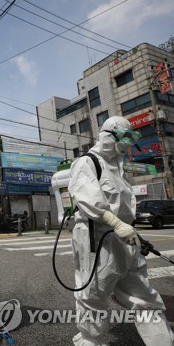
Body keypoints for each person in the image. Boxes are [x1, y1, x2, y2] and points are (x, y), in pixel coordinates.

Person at [68, 116, 174, 346]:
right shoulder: (87, 163)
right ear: (108, 136)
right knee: (94, 296)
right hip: (97, 238)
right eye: (125, 137)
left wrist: (129, 230)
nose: (128, 143)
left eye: (130, 138)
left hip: (125, 240)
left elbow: (123, 209)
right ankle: (90, 340)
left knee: (143, 295)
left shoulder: (118, 169)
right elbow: (90, 201)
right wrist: (116, 223)